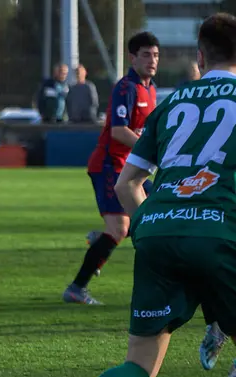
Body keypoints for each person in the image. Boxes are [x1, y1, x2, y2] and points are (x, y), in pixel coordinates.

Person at [54, 13, 236, 377]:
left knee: (140, 363)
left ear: (200, 56)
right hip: (220, 232)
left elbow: (126, 186)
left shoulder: (171, 103)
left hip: (158, 228)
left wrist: (153, 225)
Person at [62, 31, 159, 305]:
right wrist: (152, 149)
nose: (152, 61)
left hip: (133, 169)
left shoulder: (150, 89)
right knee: (120, 228)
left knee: (153, 217)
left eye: (155, 55)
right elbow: (118, 131)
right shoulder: (126, 87)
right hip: (110, 166)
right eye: (146, 55)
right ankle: (76, 289)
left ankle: (101, 242)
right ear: (132, 58)